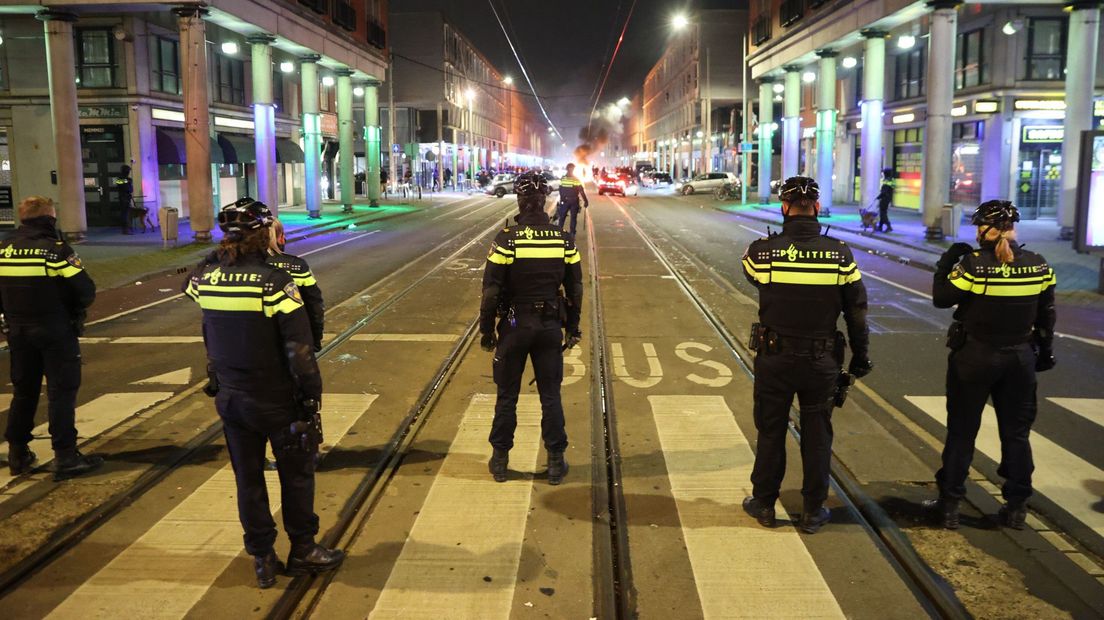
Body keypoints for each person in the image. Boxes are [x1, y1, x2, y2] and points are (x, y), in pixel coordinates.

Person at [182, 198, 343, 589]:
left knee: (248, 478)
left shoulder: (207, 279)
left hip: (232, 398)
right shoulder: (274, 282)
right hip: (277, 397)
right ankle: (303, 548)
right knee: (297, 476)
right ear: (265, 233)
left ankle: (262, 557)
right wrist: (311, 395)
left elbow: (193, 282)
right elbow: (299, 348)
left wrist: (220, 253)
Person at [740, 176, 872, 534]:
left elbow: (753, 275)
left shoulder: (762, 252)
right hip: (821, 361)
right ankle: (814, 510)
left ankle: (764, 503)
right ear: (816, 207)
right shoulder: (840, 254)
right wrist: (860, 358)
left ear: (784, 208)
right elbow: (856, 312)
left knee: (770, 431)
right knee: (818, 435)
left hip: (775, 357)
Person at [925, 200, 1056, 530]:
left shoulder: (973, 264)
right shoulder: (1039, 265)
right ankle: (1016, 507)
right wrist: (1045, 351)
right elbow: (1047, 315)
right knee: (1016, 434)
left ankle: (950, 505)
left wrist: (946, 261)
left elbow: (942, 298)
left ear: (986, 229)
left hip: (976, 357)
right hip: (1020, 358)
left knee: (962, 432)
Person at [480, 171, 583, 485]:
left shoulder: (507, 239)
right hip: (550, 323)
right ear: (546, 201)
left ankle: (500, 461)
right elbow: (576, 288)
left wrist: (488, 331)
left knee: (507, 394)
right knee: (550, 395)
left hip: (514, 319)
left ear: (521, 202)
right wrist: (573, 328)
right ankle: (555, 462)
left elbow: (491, 292)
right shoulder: (564, 240)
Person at [0, 196, 101, 480]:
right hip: (55, 330)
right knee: (61, 391)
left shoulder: (3, 249)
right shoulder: (54, 250)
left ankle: (18, 453)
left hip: (18, 332)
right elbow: (85, 291)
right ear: (49, 218)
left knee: (24, 392)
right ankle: (66, 455)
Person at [268, 217, 325, 352]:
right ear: (280, 237)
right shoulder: (296, 266)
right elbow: (315, 305)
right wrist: (316, 339)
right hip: (291, 341)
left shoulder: (234, 268)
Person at [555, 163, 589, 237]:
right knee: (573, 218)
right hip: (574, 201)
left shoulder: (563, 178)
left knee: (562, 217)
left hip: (565, 201)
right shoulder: (576, 179)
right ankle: (572, 234)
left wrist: (562, 199)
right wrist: (585, 201)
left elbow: (560, 190)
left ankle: (559, 233)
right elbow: (581, 191)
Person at [115, 165, 134, 235]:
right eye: (128, 171)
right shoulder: (121, 179)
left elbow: (131, 189)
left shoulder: (124, 179)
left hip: (125, 198)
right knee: (125, 214)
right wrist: (127, 181)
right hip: (123, 198)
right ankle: (126, 230)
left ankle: (126, 229)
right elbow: (127, 188)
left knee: (125, 214)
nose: (129, 172)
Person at [876, 168, 894, 233]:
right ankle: (880, 227)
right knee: (882, 213)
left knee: (883, 213)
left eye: (884, 173)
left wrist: (879, 196)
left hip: (885, 199)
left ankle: (889, 226)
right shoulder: (891, 180)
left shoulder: (887, 180)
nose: (883, 174)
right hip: (887, 198)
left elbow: (884, 191)